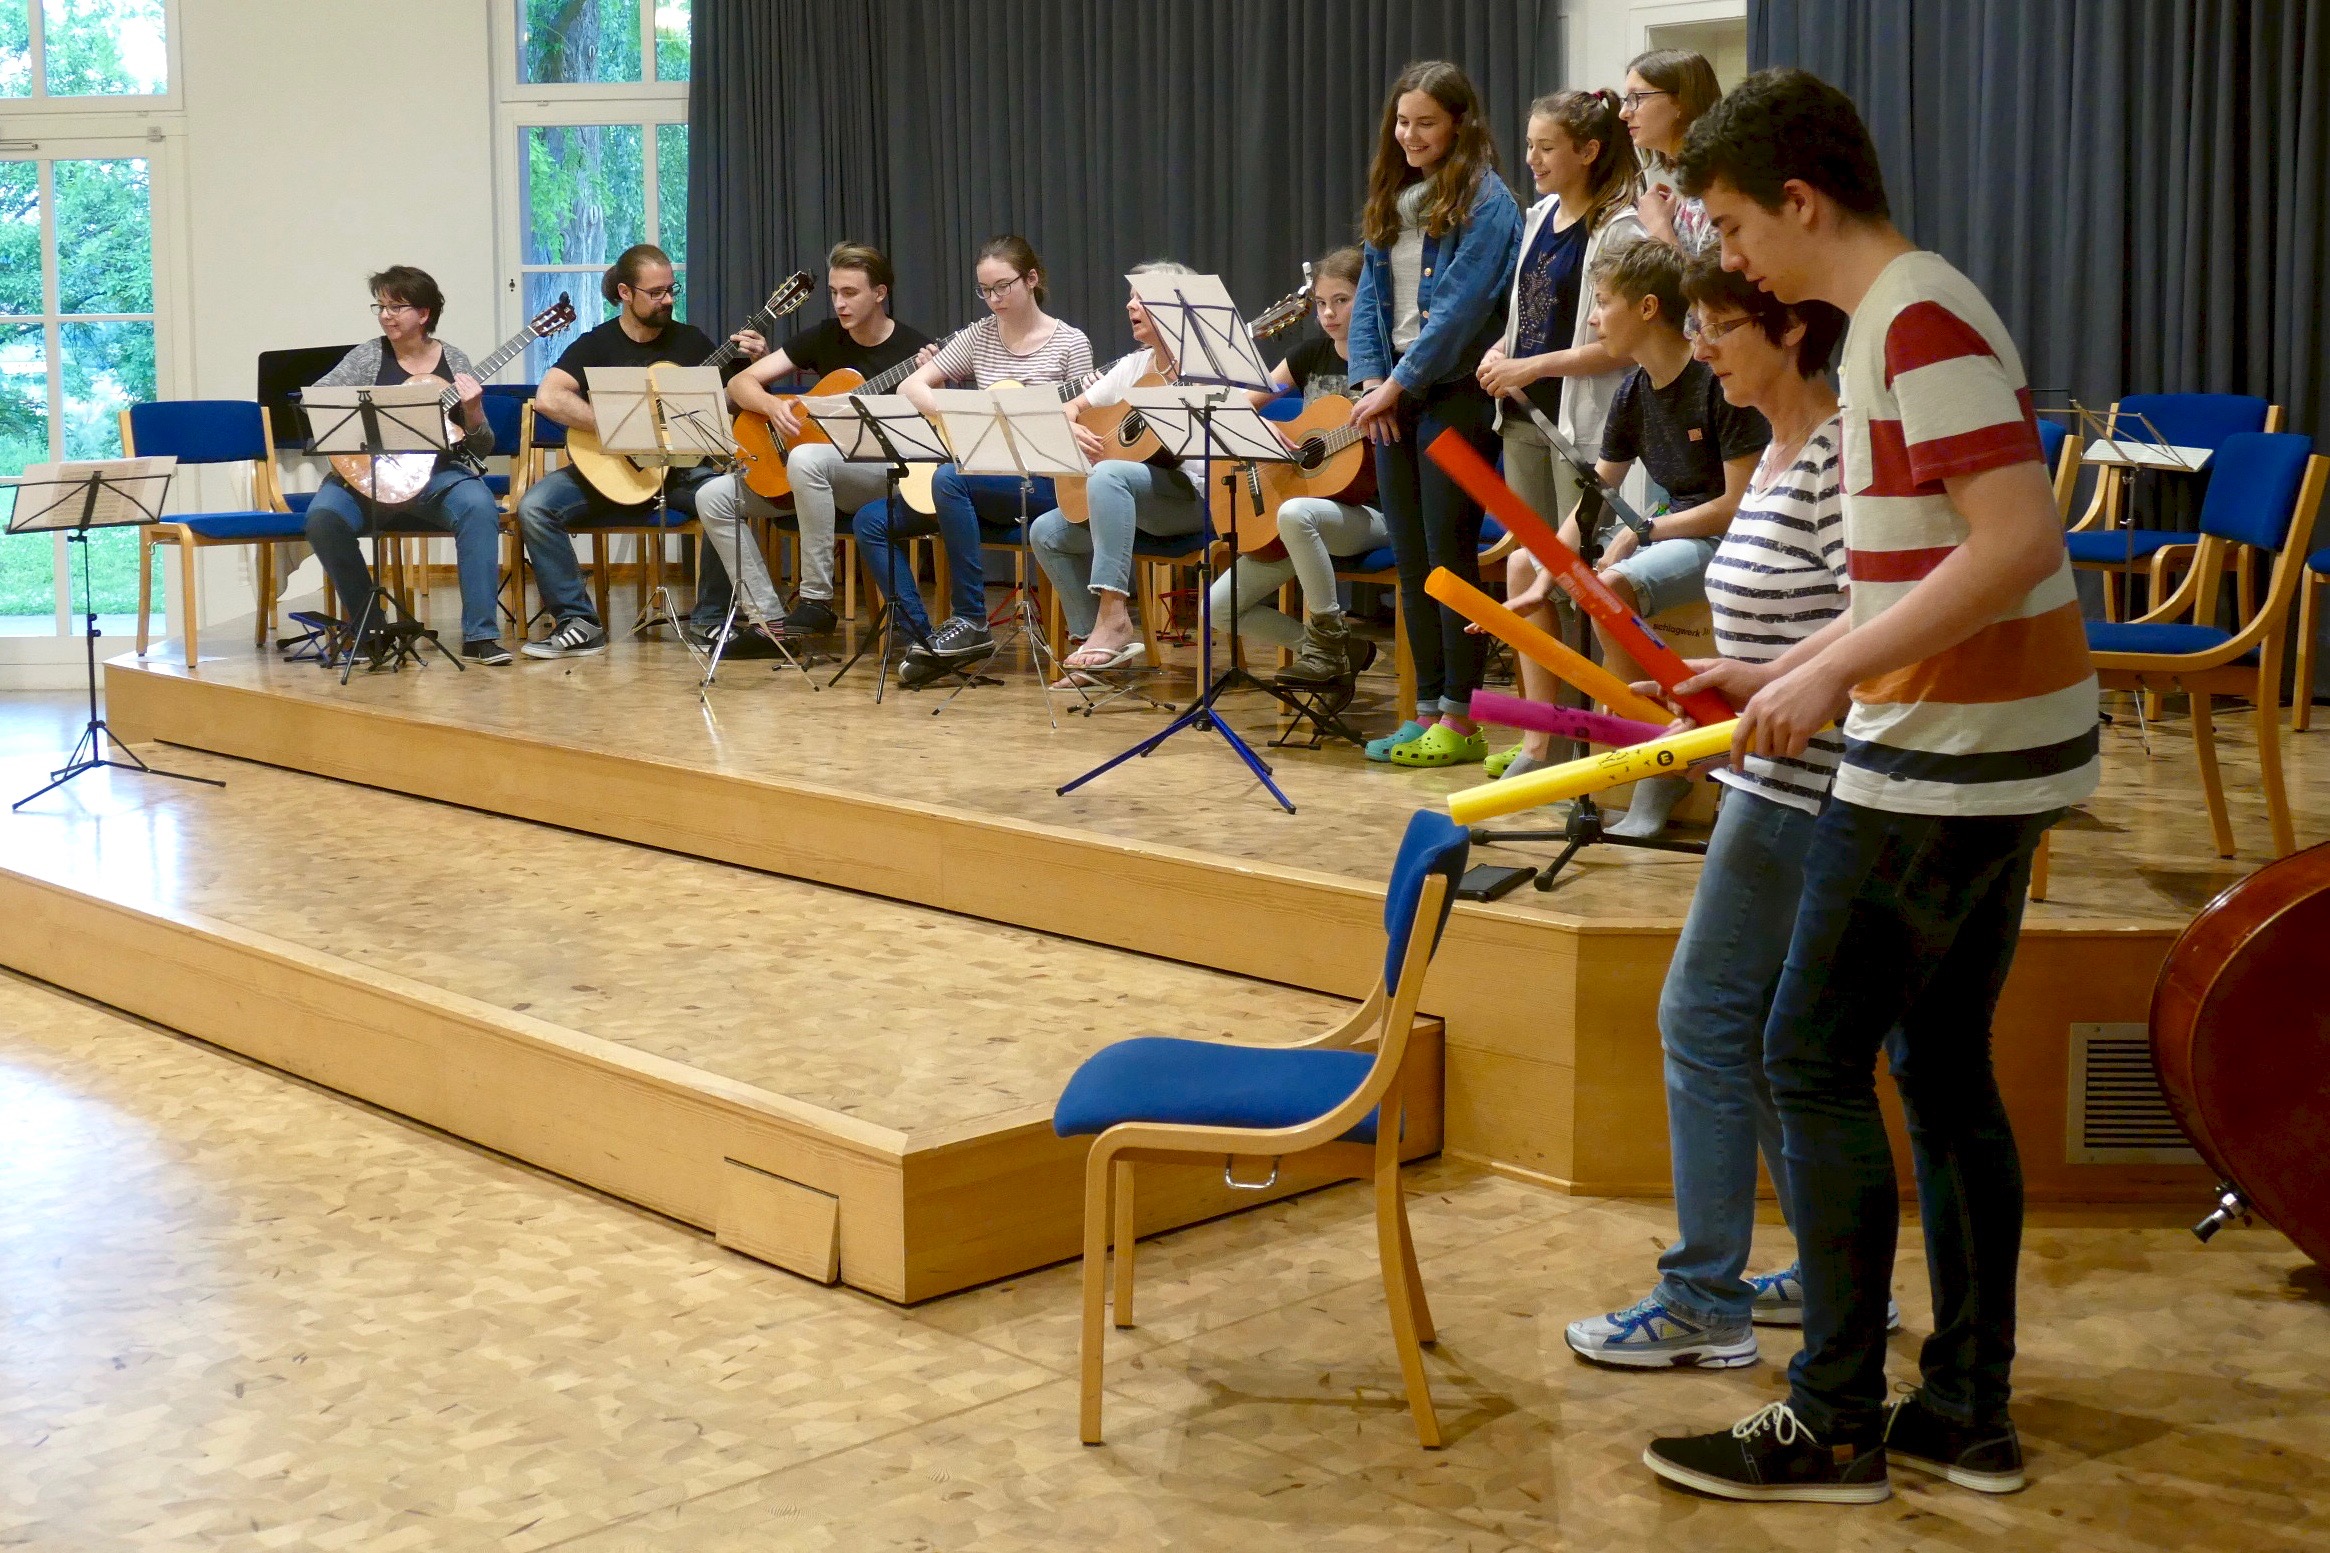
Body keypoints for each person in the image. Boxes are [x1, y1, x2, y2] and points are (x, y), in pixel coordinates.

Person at [1641, 66, 2100, 1506]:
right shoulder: (1893, 322)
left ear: (1798, 199)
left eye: (1728, 221)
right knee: (1936, 1067)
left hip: (1947, 759)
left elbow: (2016, 540)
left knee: (1805, 1056)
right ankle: (1960, 1408)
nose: (1723, 255)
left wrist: (1833, 681)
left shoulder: (1911, 314)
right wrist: (1787, 660)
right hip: (1968, 747)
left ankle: (1832, 1416)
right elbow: (1923, 561)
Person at [1563, 253, 1857, 1368]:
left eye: (1719, 323)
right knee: (1771, 1039)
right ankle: (1837, 1273)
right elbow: (1792, 628)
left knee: (1699, 1018)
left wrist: (1773, 684)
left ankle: (1702, 1302)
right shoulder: (1780, 452)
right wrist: (1714, 681)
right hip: (1767, 770)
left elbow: (1885, 615)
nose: (1703, 343)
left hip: (1804, 787)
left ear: (1788, 333)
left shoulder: (1839, 458)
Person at [1348, 59, 1523, 768]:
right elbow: (1369, 298)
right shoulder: (1397, 196)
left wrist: (1399, 385)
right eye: (1402, 121)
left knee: (1451, 555)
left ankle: (1465, 714)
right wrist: (1370, 381)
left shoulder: (1489, 201)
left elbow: (1459, 309)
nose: (1410, 134)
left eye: (1426, 122)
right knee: (1412, 557)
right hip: (1396, 392)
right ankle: (1426, 712)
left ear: (1459, 123)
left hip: (1452, 389)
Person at [1561, 237, 1766, 835]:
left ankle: (1655, 756)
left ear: (1648, 309)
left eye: (1601, 302)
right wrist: (1547, 560)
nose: (1593, 318)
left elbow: (1733, 508)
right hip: (1672, 532)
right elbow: (1595, 498)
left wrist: (1642, 531)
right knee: (1529, 569)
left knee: (1614, 585)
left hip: (1721, 540)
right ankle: (1542, 747)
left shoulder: (1714, 382)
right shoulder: (1632, 391)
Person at [1474, 88, 1645, 780]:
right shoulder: (1539, 214)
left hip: (1584, 424)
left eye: (1546, 147)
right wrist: (1500, 353)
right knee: (1529, 577)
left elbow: (1621, 347)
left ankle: (1600, 737)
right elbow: (1529, 314)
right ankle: (1543, 739)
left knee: (1581, 579)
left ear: (1588, 151)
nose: (1532, 158)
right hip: (1522, 416)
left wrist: (1529, 363)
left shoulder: (1620, 230)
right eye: (1531, 144)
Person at [858, 234, 1093, 688]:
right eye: (985, 290)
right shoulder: (979, 335)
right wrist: (960, 412)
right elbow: (913, 386)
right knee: (872, 520)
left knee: (949, 479)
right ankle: (921, 640)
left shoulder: (1069, 343)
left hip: (1038, 483)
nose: (993, 299)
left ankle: (971, 619)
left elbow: (1083, 415)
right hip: (976, 481)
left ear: (1032, 279)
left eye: (1002, 287)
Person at [515, 243, 766, 660]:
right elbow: (549, 397)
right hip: (611, 470)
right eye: (656, 293)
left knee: (732, 497)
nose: (667, 299)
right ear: (626, 293)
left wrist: (754, 365)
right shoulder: (596, 344)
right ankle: (579, 622)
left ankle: (710, 621)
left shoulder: (691, 342)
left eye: (672, 289)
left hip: (681, 471)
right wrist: (619, 428)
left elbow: (733, 403)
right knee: (535, 507)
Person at [689, 244, 935, 655]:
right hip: (812, 477)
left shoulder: (915, 349)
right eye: (834, 292)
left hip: (880, 477)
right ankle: (770, 626)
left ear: (880, 293)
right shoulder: (824, 335)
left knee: (806, 458)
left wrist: (933, 380)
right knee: (712, 496)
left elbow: (932, 432)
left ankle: (817, 599)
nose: (840, 303)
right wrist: (772, 406)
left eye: (850, 293)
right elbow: (739, 384)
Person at [302, 266, 509, 664]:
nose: (386, 315)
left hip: (438, 478)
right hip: (367, 478)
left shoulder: (455, 360)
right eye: (380, 306)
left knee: (480, 507)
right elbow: (322, 403)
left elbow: (481, 448)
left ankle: (480, 635)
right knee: (323, 518)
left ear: (425, 314)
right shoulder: (367, 356)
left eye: (396, 307)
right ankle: (370, 629)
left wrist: (474, 408)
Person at [1206, 246, 1389, 686]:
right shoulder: (1310, 355)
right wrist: (1268, 434)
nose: (1329, 313)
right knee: (1218, 608)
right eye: (1322, 303)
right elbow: (1242, 406)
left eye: (1341, 300)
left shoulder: (1389, 362)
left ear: (1368, 297)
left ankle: (1327, 639)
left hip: (1372, 512)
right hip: (1305, 511)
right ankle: (1335, 649)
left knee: (1295, 513)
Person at [1027, 262, 1208, 684]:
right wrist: (1071, 423)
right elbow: (1072, 406)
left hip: (1191, 500)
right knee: (1046, 532)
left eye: (1141, 297)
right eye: (1130, 296)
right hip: (1134, 503)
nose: (1130, 305)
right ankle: (1092, 642)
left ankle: (1114, 618)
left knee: (1109, 474)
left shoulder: (1204, 365)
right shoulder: (1134, 365)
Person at [1621, 48, 1724, 254]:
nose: (1623, 113)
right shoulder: (1690, 188)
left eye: (1637, 98)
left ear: (1681, 101)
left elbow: (1708, 285)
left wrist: (1658, 227)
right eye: (1626, 100)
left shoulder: (1720, 188)